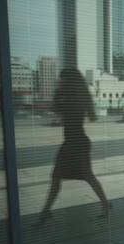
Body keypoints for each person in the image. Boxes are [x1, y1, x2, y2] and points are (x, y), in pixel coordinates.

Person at [35, 68, 110, 227]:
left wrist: (58, 93)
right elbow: (89, 116)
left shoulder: (72, 97)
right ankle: (45, 212)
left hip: (77, 143)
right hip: (72, 142)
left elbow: (57, 110)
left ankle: (105, 203)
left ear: (68, 80)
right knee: (57, 177)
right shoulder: (77, 96)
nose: (59, 81)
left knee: (86, 176)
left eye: (61, 79)